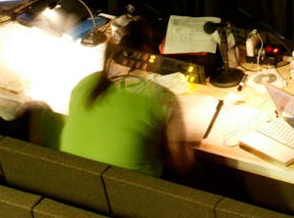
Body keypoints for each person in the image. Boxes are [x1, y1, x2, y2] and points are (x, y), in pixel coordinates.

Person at [57, 17, 195, 177]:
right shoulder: (161, 99)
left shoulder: (85, 84)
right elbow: (183, 165)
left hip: (75, 183)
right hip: (131, 192)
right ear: (146, 53)